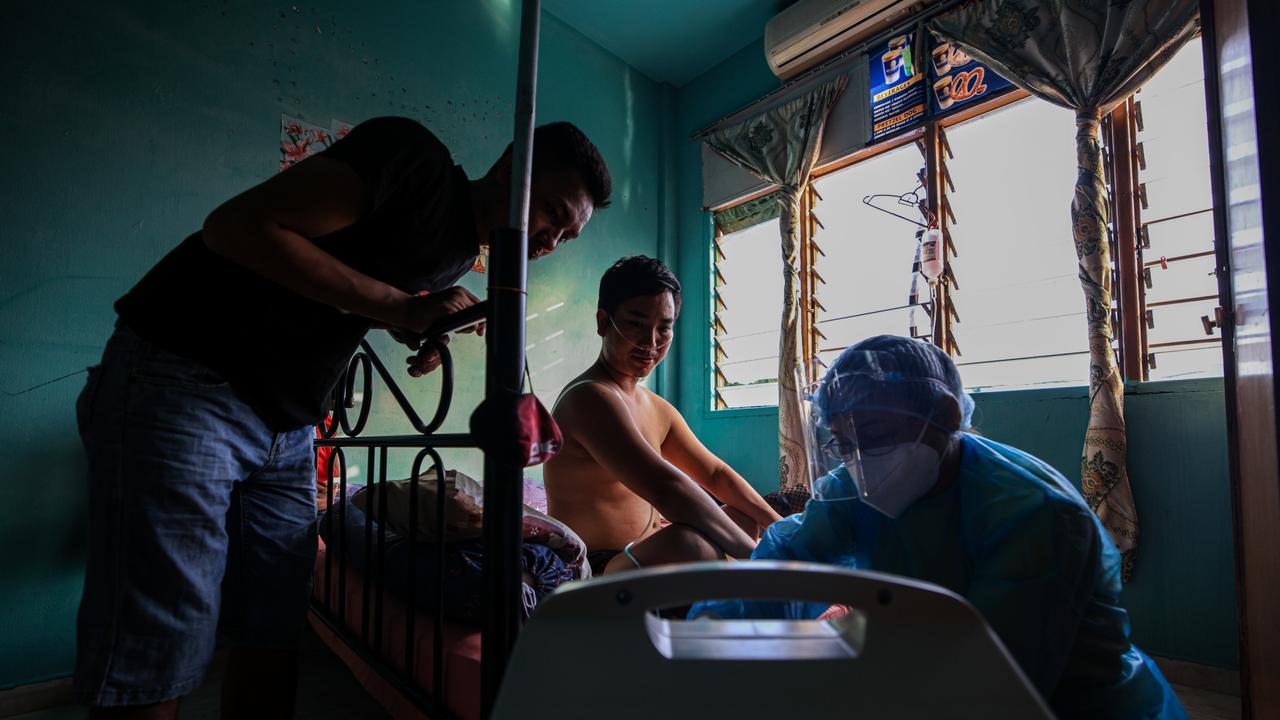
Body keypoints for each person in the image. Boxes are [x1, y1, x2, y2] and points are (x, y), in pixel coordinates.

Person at [73, 116, 611, 718]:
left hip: (289, 423)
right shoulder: (413, 160)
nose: (549, 241)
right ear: (514, 170)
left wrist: (419, 325)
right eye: (552, 213)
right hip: (189, 376)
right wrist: (403, 306)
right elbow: (238, 228)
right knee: (161, 635)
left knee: (275, 623)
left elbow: (339, 286)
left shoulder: (460, 251)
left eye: (567, 236)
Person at [690, 335, 1185, 719]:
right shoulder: (854, 489)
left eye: (877, 436)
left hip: (1072, 704)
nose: (862, 461)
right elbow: (784, 562)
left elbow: (990, 678)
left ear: (944, 416)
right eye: (844, 443)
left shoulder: (1037, 516)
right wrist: (709, 639)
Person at [545, 256, 781, 577]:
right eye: (636, 324)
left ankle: (737, 578)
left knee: (743, 517)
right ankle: (751, 579)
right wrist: (758, 556)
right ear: (603, 322)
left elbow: (714, 474)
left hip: (644, 551)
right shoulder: (589, 397)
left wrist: (782, 531)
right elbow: (666, 487)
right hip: (597, 566)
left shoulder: (656, 407)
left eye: (664, 328)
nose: (651, 342)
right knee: (693, 545)